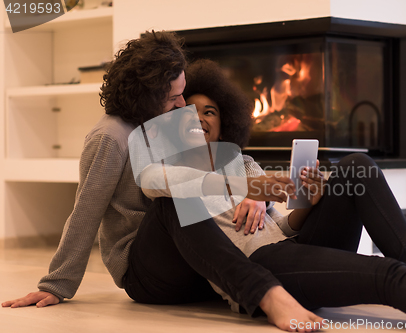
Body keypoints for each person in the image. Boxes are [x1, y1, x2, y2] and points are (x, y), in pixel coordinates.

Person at [1, 31, 323, 332]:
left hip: (188, 252)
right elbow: (85, 212)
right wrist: (55, 285)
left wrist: (256, 192)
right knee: (175, 201)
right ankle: (266, 293)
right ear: (148, 96)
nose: (183, 105)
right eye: (174, 97)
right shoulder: (110, 138)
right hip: (144, 269)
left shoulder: (166, 120)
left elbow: (236, 161)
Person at [174, 59, 406, 330]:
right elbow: (212, 250)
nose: (200, 118)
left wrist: (311, 200)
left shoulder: (243, 164)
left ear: (225, 120)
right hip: (260, 268)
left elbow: (286, 226)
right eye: (191, 111)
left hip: (289, 248)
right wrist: (256, 192)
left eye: (210, 112)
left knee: (356, 165)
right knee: (385, 274)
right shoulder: (176, 176)